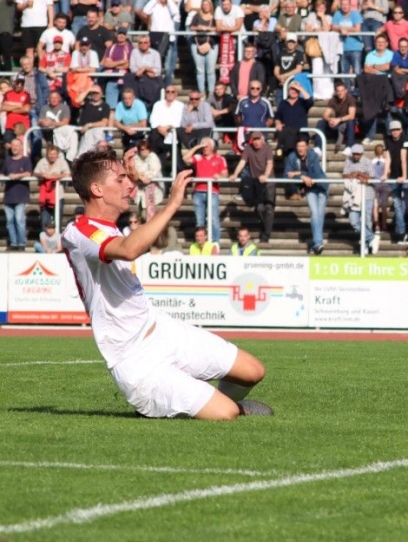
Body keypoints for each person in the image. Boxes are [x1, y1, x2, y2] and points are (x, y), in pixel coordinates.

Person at [62, 148, 271, 419]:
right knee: (227, 413)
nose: (128, 185)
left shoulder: (109, 226)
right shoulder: (79, 233)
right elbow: (128, 249)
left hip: (161, 330)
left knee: (253, 371)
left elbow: (131, 233)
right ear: (97, 189)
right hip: (135, 359)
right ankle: (189, 403)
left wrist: (130, 177)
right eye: (120, 180)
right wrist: (172, 204)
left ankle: (192, 399)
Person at [228, 131, 276, 243]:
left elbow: (270, 163)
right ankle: (265, 227)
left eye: (258, 139)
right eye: (254, 139)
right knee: (259, 208)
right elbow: (242, 162)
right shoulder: (248, 148)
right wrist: (235, 174)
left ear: (262, 139)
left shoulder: (268, 148)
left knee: (269, 208)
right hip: (256, 182)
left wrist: (266, 175)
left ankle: (266, 234)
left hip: (269, 181)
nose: (256, 142)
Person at [285, 137, 329, 255]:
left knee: (319, 215)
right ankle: (318, 243)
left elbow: (314, 173)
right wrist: (302, 177)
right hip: (310, 188)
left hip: (322, 186)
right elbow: (286, 175)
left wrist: (299, 173)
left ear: (307, 147)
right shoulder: (292, 157)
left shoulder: (313, 155)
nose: (300, 149)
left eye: (303, 146)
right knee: (315, 214)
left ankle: (317, 243)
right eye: (298, 146)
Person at [182, 137, 228, 243]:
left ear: (212, 147)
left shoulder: (220, 159)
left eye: (206, 146)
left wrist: (220, 176)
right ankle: (201, 243)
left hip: (212, 192)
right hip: (198, 192)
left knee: (213, 219)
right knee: (199, 222)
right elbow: (185, 158)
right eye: (203, 146)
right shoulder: (198, 157)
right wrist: (198, 146)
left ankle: (215, 243)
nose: (204, 148)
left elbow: (225, 174)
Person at [343, 142, 380, 254]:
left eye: (358, 154)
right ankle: (371, 237)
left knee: (367, 220)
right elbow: (344, 175)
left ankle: (365, 245)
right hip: (353, 195)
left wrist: (359, 174)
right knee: (353, 220)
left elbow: (372, 177)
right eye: (354, 154)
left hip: (367, 194)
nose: (355, 156)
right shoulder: (348, 160)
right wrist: (355, 175)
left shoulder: (367, 161)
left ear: (362, 154)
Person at [3, 138, 32, 250]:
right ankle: (13, 243)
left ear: (21, 147)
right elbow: (3, 173)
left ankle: (21, 243)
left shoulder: (26, 160)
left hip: (21, 195)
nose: (15, 147)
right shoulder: (7, 160)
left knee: (19, 220)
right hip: (8, 196)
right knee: (9, 222)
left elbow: (28, 173)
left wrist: (16, 176)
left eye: (17, 145)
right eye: (13, 145)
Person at [33, 143, 71, 229]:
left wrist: (54, 176)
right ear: (47, 154)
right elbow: (35, 172)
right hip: (44, 195)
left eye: (54, 154)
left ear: (57, 154)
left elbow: (67, 173)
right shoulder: (42, 161)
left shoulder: (62, 162)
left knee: (57, 219)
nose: (52, 156)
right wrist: (42, 175)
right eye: (50, 154)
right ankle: (44, 235)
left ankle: (57, 236)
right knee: (44, 220)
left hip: (57, 195)